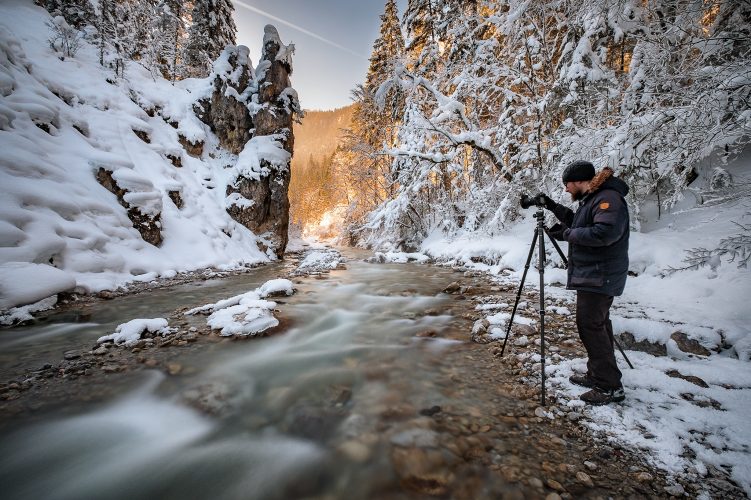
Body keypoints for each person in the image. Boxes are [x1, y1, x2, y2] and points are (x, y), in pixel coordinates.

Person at [537, 160, 630, 405]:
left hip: (601, 274)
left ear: (578, 181)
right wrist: (552, 207)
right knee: (598, 324)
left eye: (567, 185)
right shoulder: (593, 199)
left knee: (590, 326)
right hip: (595, 273)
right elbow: (578, 222)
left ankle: (610, 387)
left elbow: (605, 233)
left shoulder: (608, 198)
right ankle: (598, 374)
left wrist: (567, 235)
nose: (566, 189)